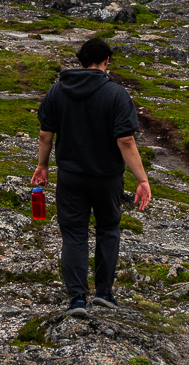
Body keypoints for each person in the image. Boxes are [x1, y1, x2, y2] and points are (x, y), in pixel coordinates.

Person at [33, 37, 152, 310]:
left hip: (70, 177)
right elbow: (125, 141)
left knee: (74, 233)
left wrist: (43, 166)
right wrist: (142, 179)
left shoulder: (57, 91)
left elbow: (44, 135)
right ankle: (104, 293)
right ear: (107, 62)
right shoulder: (117, 95)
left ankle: (77, 298)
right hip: (107, 178)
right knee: (108, 230)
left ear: (80, 62)